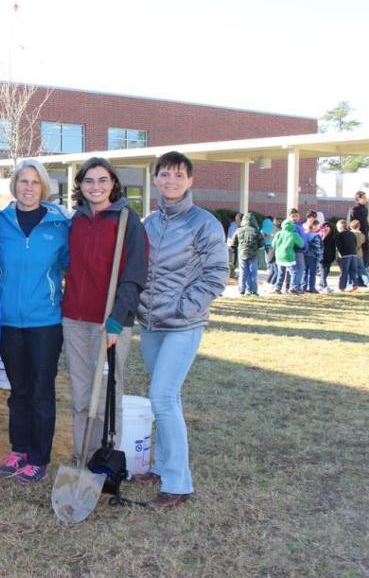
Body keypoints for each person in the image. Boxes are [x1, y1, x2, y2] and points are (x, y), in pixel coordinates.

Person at [135, 151, 227, 510]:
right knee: (166, 398)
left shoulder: (203, 223)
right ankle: (161, 466)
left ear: (190, 181)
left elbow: (217, 273)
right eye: (165, 175)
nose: (171, 181)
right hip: (151, 324)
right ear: (156, 179)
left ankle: (177, 483)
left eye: (178, 175)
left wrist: (185, 307)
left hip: (183, 325)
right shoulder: (150, 223)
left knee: (161, 396)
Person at [61, 157, 147, 473]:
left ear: (113, 184)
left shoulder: (127, 220)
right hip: (74, 319)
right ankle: (80, 458)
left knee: (108, 394)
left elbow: (136, 273)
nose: (95, 187)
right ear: (80, 187)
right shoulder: (76, 222)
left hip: (109, 322)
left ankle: (104, 459)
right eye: (88, 181)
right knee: (82, 395)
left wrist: (117, 317)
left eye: (102, 180)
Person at [0, 159, 71, 484]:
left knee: (41, 390)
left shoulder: (59, 225)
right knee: (19, 389)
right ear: (15, 186)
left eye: (35, 182)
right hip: (9, 321)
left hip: (45, 322)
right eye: (23, 181)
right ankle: (19, 449)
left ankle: (39, 457)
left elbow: (73, 267)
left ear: (44, 187)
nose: (28, 188)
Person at [233, 213, 264, 296]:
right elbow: (262, 244)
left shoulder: (238, 230)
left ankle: (241, 290)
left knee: (243, 272)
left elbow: (233, 242)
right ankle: (252, 290)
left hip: (242, 253)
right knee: (253, 272)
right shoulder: (256, 231)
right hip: (253, 254)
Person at [272, 219, 304, 294]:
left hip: (279, 256)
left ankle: (278, 288)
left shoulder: (278, 233)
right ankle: (293, 287)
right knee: (294, 272)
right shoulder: (293, 234)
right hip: (289, 256)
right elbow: (301, 244)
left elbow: (273, 245)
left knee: (281, 272)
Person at [335, 219, 359, 292]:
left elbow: (338, 246)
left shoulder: (340, 235)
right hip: (353, 254)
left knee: (344, 272)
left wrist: (340, 254)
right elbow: (355, 244)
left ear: (340, 227)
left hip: (345, 255)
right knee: (353, 271)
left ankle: (342, 287)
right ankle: (355, 284)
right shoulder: (352, 234)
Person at [346, 191, 368, 268]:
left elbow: (365, 224)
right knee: (356, 264)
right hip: (356, 239)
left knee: (365, 261)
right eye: (363, 197)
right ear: (358, 199)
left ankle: (362, 280)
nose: (366, 199)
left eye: (366, 197)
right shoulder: (353, 210)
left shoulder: (365, 209)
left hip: (364, 238)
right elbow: (349, 225)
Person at [288, 208, 307, 293]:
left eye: (296, 216)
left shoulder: (299, 225)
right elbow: (296, 239)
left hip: (300, 250)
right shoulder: (292, 226)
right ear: (289, 217)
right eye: (293, 216)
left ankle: (296, 286)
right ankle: (294, 286)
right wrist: (302, 246)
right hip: (296, 250)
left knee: (298, 269)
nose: (295, 217)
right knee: (298, 268)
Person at [302, 217, 323, 294]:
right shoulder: (316, 236)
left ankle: (303, 287)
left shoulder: (305, 235)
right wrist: (320, 256)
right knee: (312, 273)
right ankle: (312, 288)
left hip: (305, 255)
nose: (319, 227)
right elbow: (318, 247)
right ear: (314, 226)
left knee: (305, 271)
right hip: (313, 256)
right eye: (318, 226)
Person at [319, 221, 337, 292]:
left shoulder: (332, 237)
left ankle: (321, 284)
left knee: (327, 271)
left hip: (329, 257)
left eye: (327, 226)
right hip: (321, 257)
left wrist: (333, 257)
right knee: (323, 271)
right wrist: (323, 236)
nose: (326, 228)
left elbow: (333, 248)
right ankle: (325, 285)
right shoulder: (320, 236)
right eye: (324, 226)